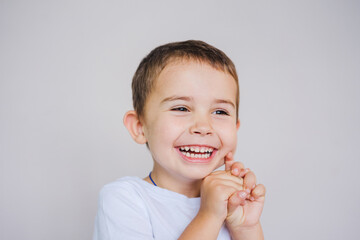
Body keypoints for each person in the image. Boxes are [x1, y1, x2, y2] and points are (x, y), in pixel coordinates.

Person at [93, 40, 266, 240]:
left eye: (220, 111)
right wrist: (209, 215)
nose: (203, 127)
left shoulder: (232, 203)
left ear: (235, 129)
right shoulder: (124, 198)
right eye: (181, 108)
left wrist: (246, 228)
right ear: (140, 127)